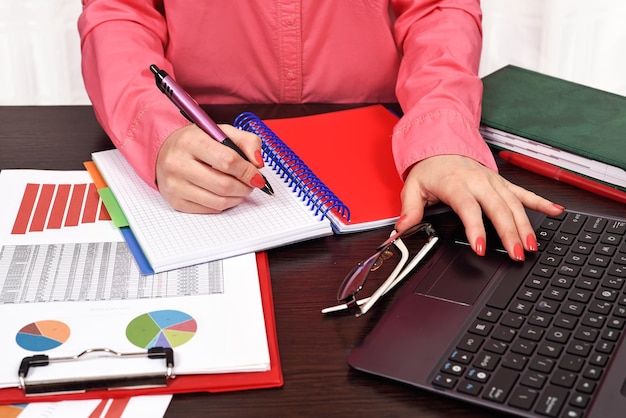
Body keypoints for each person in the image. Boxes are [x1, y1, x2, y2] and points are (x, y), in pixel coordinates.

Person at [78, 1, 564, 262]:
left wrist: (441, 134)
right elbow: (119, 15)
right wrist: (158, 131)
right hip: (205, 138)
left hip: (384, 141)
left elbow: (437, 9)